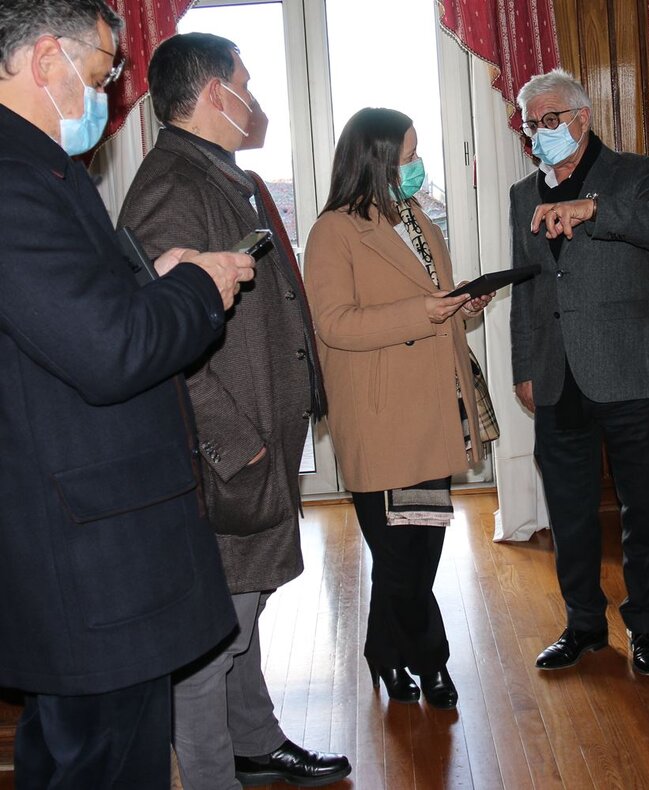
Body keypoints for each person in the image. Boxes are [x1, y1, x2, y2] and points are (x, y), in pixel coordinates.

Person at [0, 2, 259, 786]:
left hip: (98, 535)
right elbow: (108, 351)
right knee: (106, 765)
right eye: (105, 69)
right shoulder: (12, 180)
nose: (111, 92)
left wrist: (157, 278)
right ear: (47, 59)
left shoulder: (41, 167)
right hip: (87, 550)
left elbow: (69, 318)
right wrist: (198, 288)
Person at [118, 32, 349, 789]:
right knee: (214, 635)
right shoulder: (171, 187)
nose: (255, 101)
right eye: (245, 84)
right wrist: (231, 444)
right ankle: (216, 774)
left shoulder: (220, 173)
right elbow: (162, 336)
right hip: (225, 451)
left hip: (259, 437)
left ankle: (255, 742)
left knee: (244, 612)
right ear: (215, 93)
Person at [304, 107, 492, 710]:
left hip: (432, 414)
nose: (416, 167)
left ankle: (383, 652)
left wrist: (466, 304)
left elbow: (434, 300)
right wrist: (426, 312)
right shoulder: (333, 231)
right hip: (382, 420)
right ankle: (430, 660)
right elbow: (332, 326)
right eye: (407, 157)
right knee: (399, 558)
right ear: (376, 161)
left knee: (420, 552)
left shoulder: (416, 218)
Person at [509, 69, 649, 676]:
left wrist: (595, 210)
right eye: (531, 123)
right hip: (558, 374)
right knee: (569, 511)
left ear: (583, 119)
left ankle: (645, 628)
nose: (539, 132)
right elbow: (526, 290)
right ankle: (583, 626)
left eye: (550, 119)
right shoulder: (521, 194)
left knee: (644, 510)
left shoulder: (636, 173)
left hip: (634, 370)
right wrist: (525, 367)